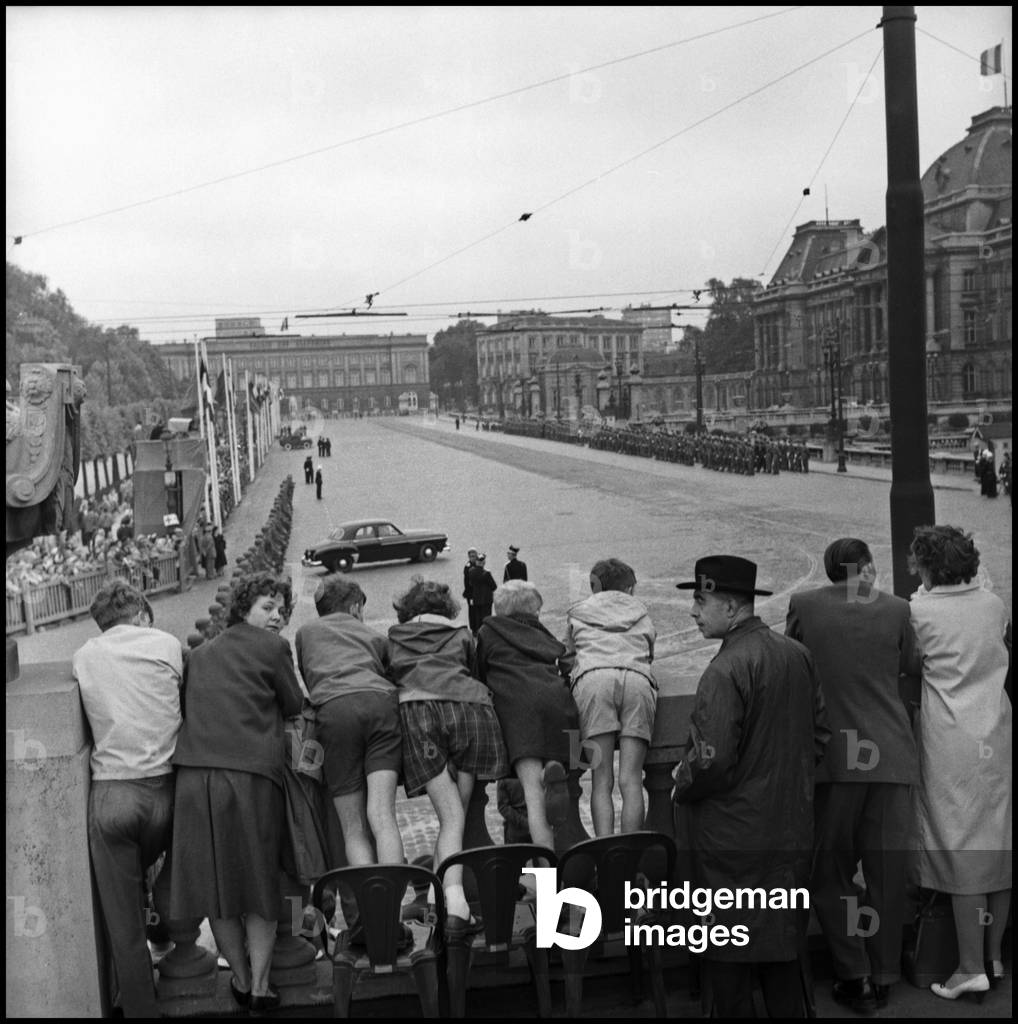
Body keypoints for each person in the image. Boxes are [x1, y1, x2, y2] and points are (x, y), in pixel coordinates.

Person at [673, 555, 830, 1018]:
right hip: (790, 828)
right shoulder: (797, 655)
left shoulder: (724, 671)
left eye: (701, 601)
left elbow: (711, 760)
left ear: (731, 606)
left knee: (728, 956)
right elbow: (819, 737)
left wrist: (681, 781)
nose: (693, 611)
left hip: (731, 840)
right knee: (781, 947)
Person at [786, 539, 920, 1014]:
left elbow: (795, 667)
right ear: (865, 567)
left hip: (834, 763)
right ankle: (885, 972)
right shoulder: (898, 609)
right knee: (886, 874)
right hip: (891, 758)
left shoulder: (803, 605)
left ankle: (854, 974)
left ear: (828, 571)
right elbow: (910, 666)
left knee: (829, 871)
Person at [169, 572, 304, 1014]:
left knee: (217, 888)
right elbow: (294, 704)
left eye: (281, 609)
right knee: (260, 881)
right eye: (268, 606)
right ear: (244, 608)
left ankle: (241, 980)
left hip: (194, 779)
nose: (277, 615)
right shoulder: (273, 647)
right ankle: (261, 987)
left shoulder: (201, 653)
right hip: (247, 776)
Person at [907, 526, 1012, 1003]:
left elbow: (910, 662)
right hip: (997, 732)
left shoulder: (918, 611)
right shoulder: (993, 606)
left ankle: (968, 968)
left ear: (929, 566)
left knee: (962, 849)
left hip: (950, 737)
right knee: (996, 844)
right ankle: (992, 957)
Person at [72, 581, 182, 1018]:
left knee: (123, 921)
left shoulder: (84, 655)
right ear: (142, 614)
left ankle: (139, 1007)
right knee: (178, 871)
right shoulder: (169, 645)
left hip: (114, 793)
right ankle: (170, 917)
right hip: (168, 790)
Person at [387, 577, 508, 934]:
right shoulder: (462, 635)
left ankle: (450, 905)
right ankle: (451, 906)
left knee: (450, 819)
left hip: (419, 714)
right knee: (457, 817)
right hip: (469, 712)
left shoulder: (395, 637)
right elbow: (473, 668)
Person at [295, 576, 404, 868]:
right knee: (383, 816)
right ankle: (392, 900)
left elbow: (309, 679)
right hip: (380, 705)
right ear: (355, 607)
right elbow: (392, 672)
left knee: (352, 828)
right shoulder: (374, 636)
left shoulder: (305, 633)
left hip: (335, 711)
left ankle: (370, 901)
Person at [475, 580, 578, 851]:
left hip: (520, 715)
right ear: (534, 612)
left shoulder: (488, 632)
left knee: (533, 799)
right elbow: (565, 661)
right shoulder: (542, 634)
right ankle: (554, 775)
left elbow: (480, 676)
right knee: (553, 792)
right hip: (557, 706)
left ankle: (548, 884)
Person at [563, 557, 656, 835]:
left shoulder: (578, 612)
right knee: (631, 780)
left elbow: (568, 657)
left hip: (594, 681)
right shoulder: (641, 611)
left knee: (601, 780)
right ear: (628, 588)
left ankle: (606, 853)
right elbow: (649, 651)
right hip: (637, 681)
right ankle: (629, 854)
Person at [463, 552, 497, 635]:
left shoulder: (471, 572)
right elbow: (494, 586)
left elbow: (470, 583)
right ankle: (486, 633)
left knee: (477, 616)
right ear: (483, 563)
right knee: (486, 616)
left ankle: (477, 631)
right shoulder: (487, 573)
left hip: (476, 598)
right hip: (486, 599)